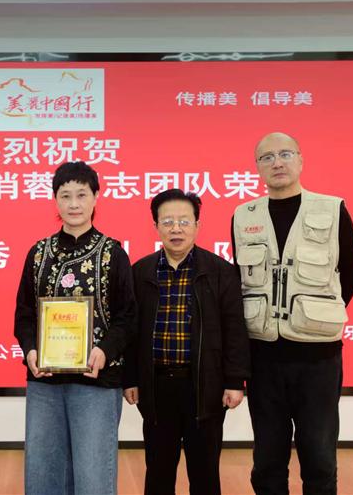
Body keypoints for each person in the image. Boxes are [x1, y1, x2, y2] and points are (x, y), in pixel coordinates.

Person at [231, 132, 353, 495]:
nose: (277, 162)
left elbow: (352, 274)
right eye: (267, 157)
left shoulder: (332, 209)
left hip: (318, 358)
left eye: (285, 154)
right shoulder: (244, 216)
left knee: (319, 456)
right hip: (263, 357)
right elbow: (240, 280)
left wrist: (313, 316)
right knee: (267, 459)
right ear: (257, 167)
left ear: (301, 160)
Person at [14, 161, 137, 495]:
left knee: (93, 477)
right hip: (45, 381)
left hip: (96, 380)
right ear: (55, 200)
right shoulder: (39, 253)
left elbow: (128, 316)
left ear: (96, 197)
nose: (73, 204)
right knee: (43, 474)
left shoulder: (113, 253)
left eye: (81, 195)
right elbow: (24, 313)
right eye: (65, 195)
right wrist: (31, 349)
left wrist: (104, 351)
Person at [124, 189, 251, 495]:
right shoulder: (140, 272)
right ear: (156, 226)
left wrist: (235, 381)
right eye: (167, 222)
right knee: (158, 471)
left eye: (184, 221)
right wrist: (130, 378)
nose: (176, 229)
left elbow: (235, 329)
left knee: (204, 473)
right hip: (156, 387)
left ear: (197, 225)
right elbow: (130, 331)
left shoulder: (220, 271)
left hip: (204, 386)